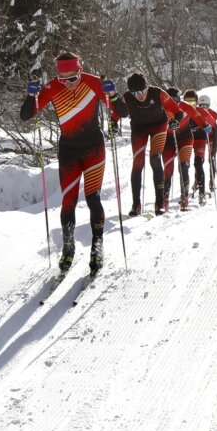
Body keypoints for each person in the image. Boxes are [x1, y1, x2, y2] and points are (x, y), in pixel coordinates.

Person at [21, 53, 112, 273]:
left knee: (93, 198)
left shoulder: (93, 82)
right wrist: (29, 96)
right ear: (57, 76)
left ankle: (97, 247)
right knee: (68, 201)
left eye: (74, 78)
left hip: (94, 149)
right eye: (64, 80)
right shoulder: (52, 88)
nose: (69, 84)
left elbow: (121, 111)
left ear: (80, 70)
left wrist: (114, 95)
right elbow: (26, 115)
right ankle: (68, 247)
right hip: (69, 152)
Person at [108, 73, 183, 216]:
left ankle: (159, 202)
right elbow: (118, 112)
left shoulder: (158, 93)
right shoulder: (128, 97)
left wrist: (175, 122)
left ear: (147, 86)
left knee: (155, 159)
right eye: (135, 93)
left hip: (158, 126)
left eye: (142, 91)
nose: (140, 96)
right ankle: (136, 204)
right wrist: (113, 123)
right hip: (139, 129)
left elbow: (178, 112)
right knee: (138, 163)